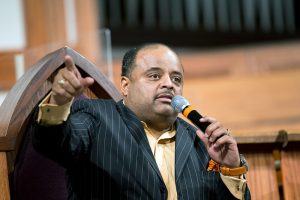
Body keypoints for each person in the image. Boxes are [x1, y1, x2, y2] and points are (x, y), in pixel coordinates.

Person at [33, 43, 251, 199]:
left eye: (176, 79)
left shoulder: (202, 140)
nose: (169, 84)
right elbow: (54, 143)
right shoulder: (95, 117)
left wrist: (230, 169)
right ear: (125, 86)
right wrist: (59, 102)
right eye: (155, 76)